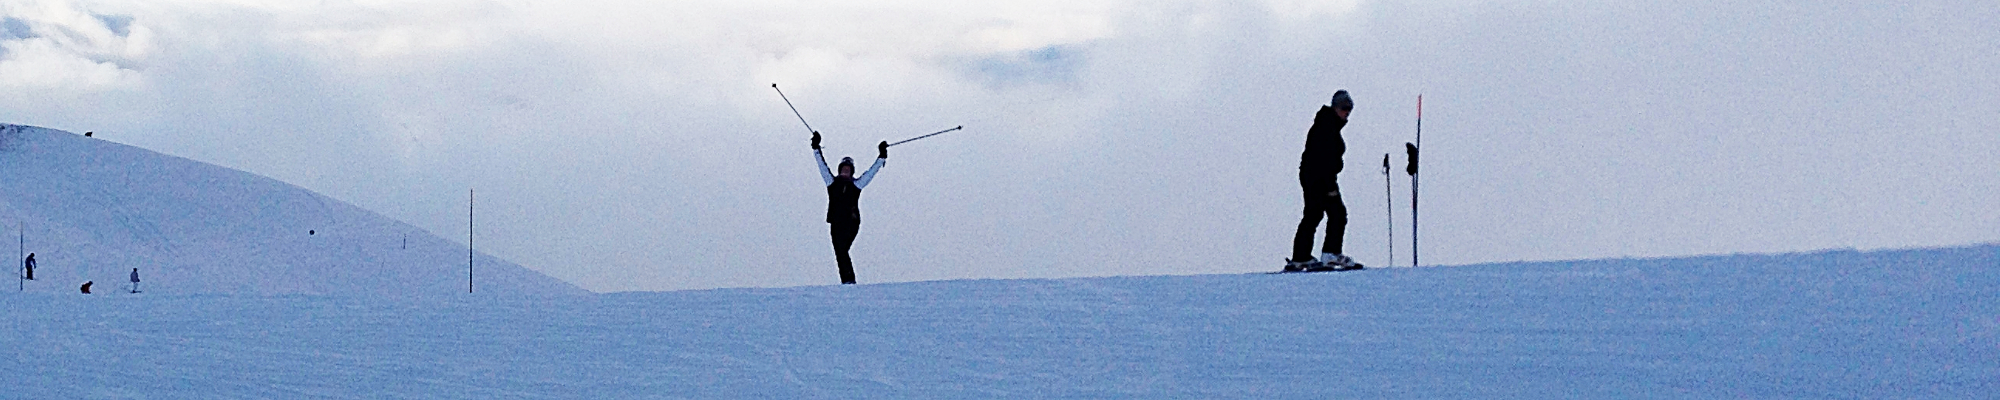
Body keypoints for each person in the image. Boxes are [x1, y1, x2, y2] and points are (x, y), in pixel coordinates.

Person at [1290, 90, 1361, 271]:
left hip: (1314, 176)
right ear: (1335, 107)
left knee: (1314, 214)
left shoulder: (1327, 125)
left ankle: (1302, 256)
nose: (1347, 113)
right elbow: (1323, 159)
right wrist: (1329, 186)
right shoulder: (1326, 126)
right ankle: (1329, 253)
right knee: (1336, 213)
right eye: (1344, 108)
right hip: (1319, 177)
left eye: (1349, 109)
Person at [812, 131, 887, 284]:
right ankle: (847, 281)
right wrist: (815, 147)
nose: (845, 171)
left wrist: (881, 157)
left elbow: (871, 173)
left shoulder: (856, 185)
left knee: (841, 251)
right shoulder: (831, 183)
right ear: (839, 170)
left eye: (848, 169)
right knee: (840, 252)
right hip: (835, 223)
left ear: (852, 171)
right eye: (843, 169)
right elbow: (822, 166)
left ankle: (849, 281)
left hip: (851, 223)